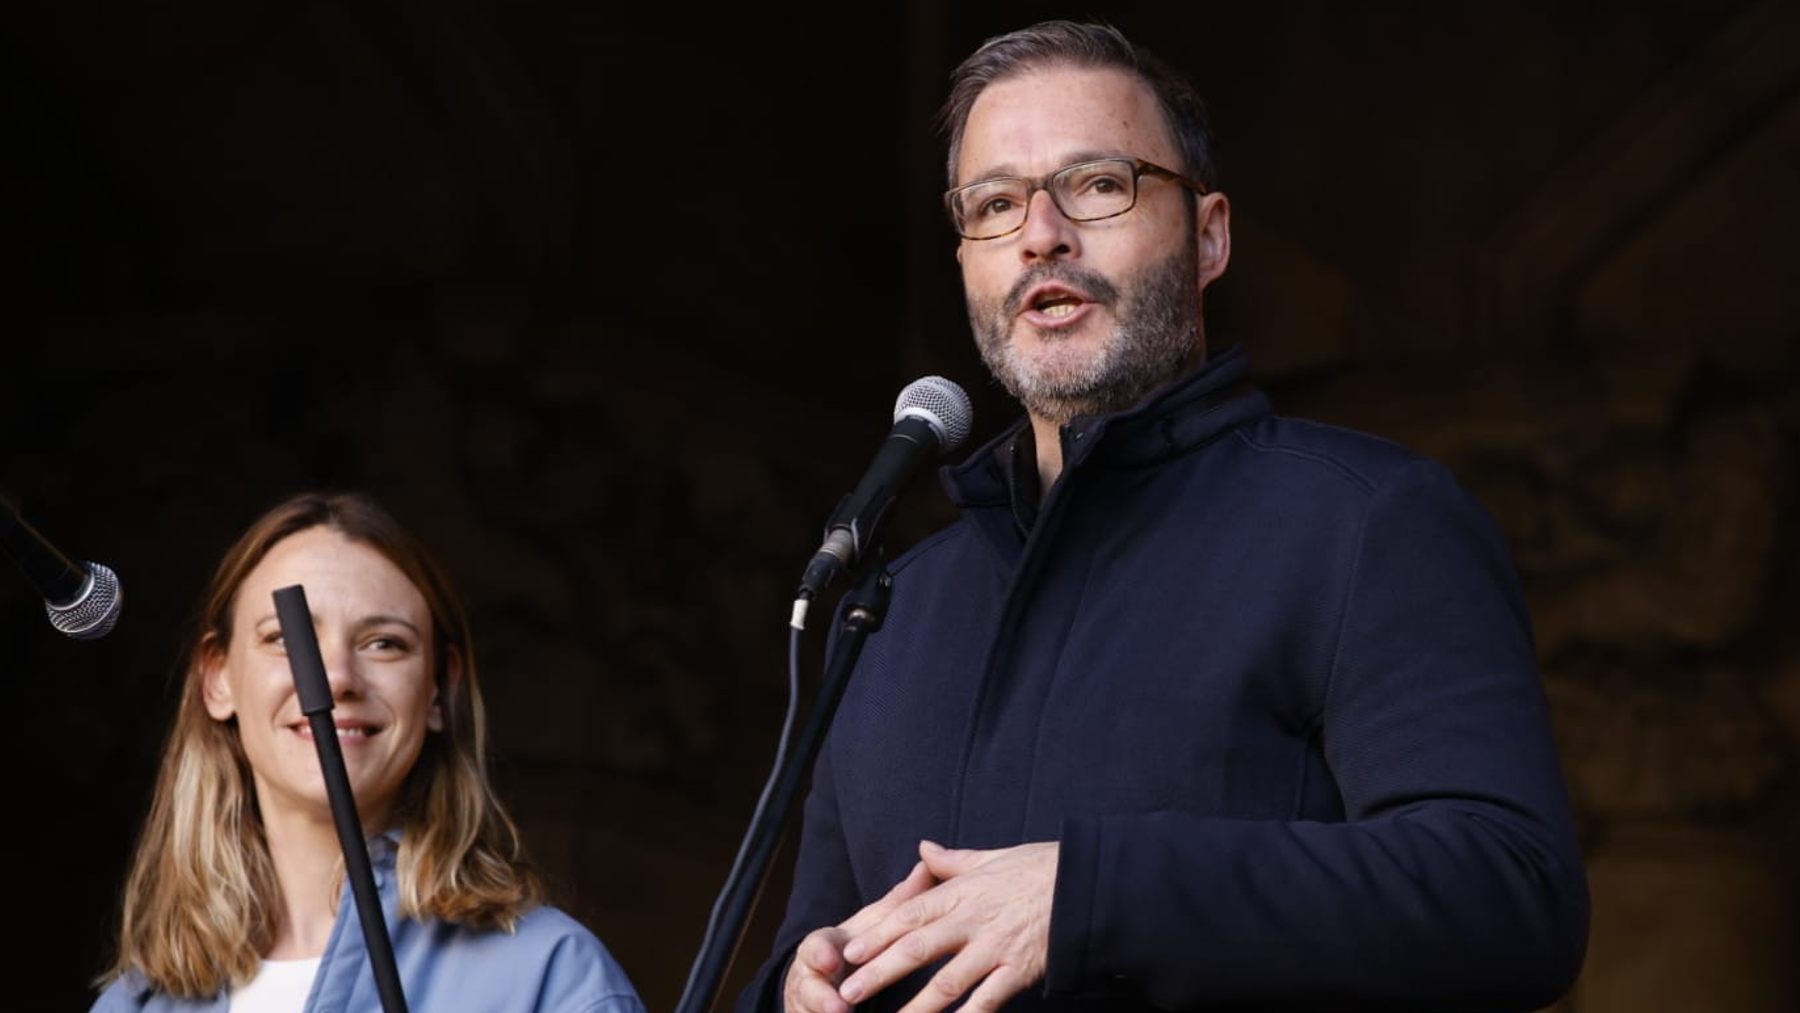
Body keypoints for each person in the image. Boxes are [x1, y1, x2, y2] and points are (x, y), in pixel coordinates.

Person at [740, 20, 1588, 1013]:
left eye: (1099, 183)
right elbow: (816, 934)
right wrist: (798, 984)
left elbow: (1509, 893)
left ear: (1210, 236)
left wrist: (1088, 896)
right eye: (996, 202)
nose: (1041, 233)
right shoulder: (891, 607)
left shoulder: (1367, 523)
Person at [93, 493, 643, 1013]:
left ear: (436, 690)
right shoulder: (137, 1005)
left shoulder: (550, 980)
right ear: (217, 679)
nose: (336, 679)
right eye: (286, 637)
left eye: (385, 643)